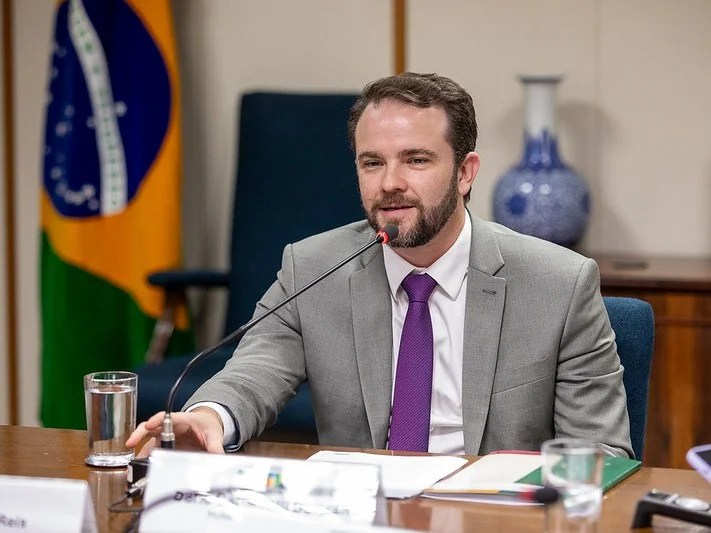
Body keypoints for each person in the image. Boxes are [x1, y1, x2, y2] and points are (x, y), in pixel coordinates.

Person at [127, 72, 633, 458]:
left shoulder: (558, 284)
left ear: (465, 172)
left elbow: (601, 454)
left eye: (416, 160)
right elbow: (255, 371)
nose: (390, 183)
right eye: (372, 162)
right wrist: (211, 416)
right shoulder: (313, 268)